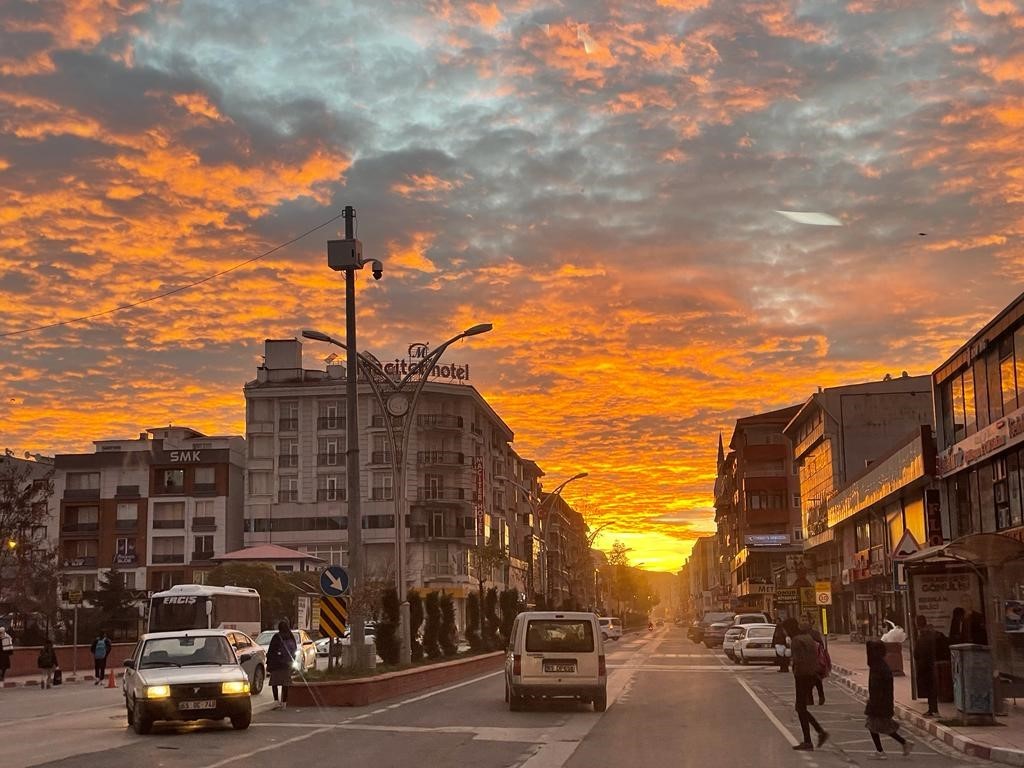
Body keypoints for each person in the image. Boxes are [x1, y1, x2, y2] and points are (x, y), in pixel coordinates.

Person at [864, 640, 913, 759]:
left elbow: (877, 688)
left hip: (879, 703)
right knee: (880, 726)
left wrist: (873, 702)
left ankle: (881, 752)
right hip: (882, 702)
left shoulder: (879, 667)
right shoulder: (879, 664)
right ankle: (904, 743)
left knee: (874, 725)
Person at [789, 619, 829, 751]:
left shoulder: (796, 640)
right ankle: (818, 733)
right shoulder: (808, 638)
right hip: (812, 675)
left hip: (802, 676)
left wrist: (795, 669)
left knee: (800, 708)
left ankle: (810, 740)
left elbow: (799, 660)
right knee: (801, 708)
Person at [267, 620, 297, 710]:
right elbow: (294, 651)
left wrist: (269, 663)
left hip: (276, 665)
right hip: (287, 665)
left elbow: (271, 651)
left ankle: (276, 701)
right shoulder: (291, 636)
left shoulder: (276, 637)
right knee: (285, 684)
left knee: (274, 683)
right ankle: (284, 703)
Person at [914, 614, 938, 716]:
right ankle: (932, 709)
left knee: (929, 687)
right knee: (930, 687)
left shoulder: (923, 635)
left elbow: (919, 652)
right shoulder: (928, 634)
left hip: (925, 665)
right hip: (928, 664)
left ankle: (933, 709)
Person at [808, 624, 827, 706]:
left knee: (816, 679)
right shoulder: (800, 634)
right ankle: (810, 699)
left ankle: (820, 696)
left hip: (816, 660)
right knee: (809, 681)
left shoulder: (815, 634)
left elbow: (821, 646)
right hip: (807, 661)